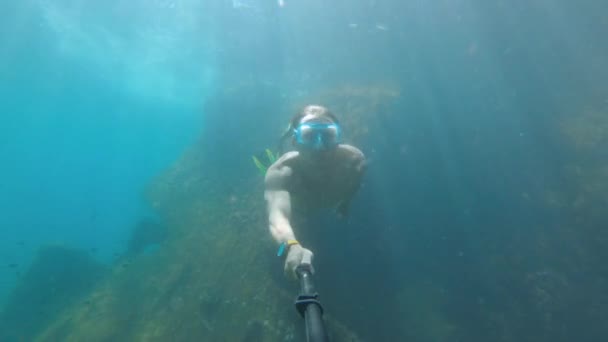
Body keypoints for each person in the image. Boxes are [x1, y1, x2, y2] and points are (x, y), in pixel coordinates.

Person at [264, 105, 366, 277]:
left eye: (328, 136)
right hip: (299, 210)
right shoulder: (281, 172)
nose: (320, 146)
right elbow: (277, 216)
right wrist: (291, 245)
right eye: (309, 136)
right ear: (295, 141)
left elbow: (354, 184)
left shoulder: (354, 159)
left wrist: (345, 204)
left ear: (338, 138)